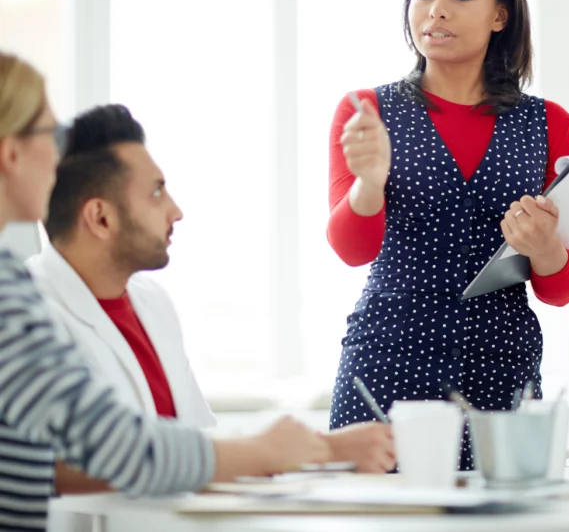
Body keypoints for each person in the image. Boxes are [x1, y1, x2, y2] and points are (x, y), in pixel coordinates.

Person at [0, 52, 338, 531]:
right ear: (12, 153)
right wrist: (265, 451)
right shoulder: (17, 297)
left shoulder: (147, 302)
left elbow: (189, 438)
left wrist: (303, 452)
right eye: (47, 136)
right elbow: (114, 448)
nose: (57, 156)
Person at [25, 104, 394, 497]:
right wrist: (316, 450)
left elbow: (200, 443)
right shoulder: (27, 312)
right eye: (156, 191)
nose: (176, 210)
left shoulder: (152, 304)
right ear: (100, 218)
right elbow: (84, 459)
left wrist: (320, 449)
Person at [326, 0, 569, 467]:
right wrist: (371, 183)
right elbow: (352, 250)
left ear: (500, 14)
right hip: (387, 365)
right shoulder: (365, 113)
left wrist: (544, 246)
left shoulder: (548, 123)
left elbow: (562, 287)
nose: (436, 11)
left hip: (500, 370)